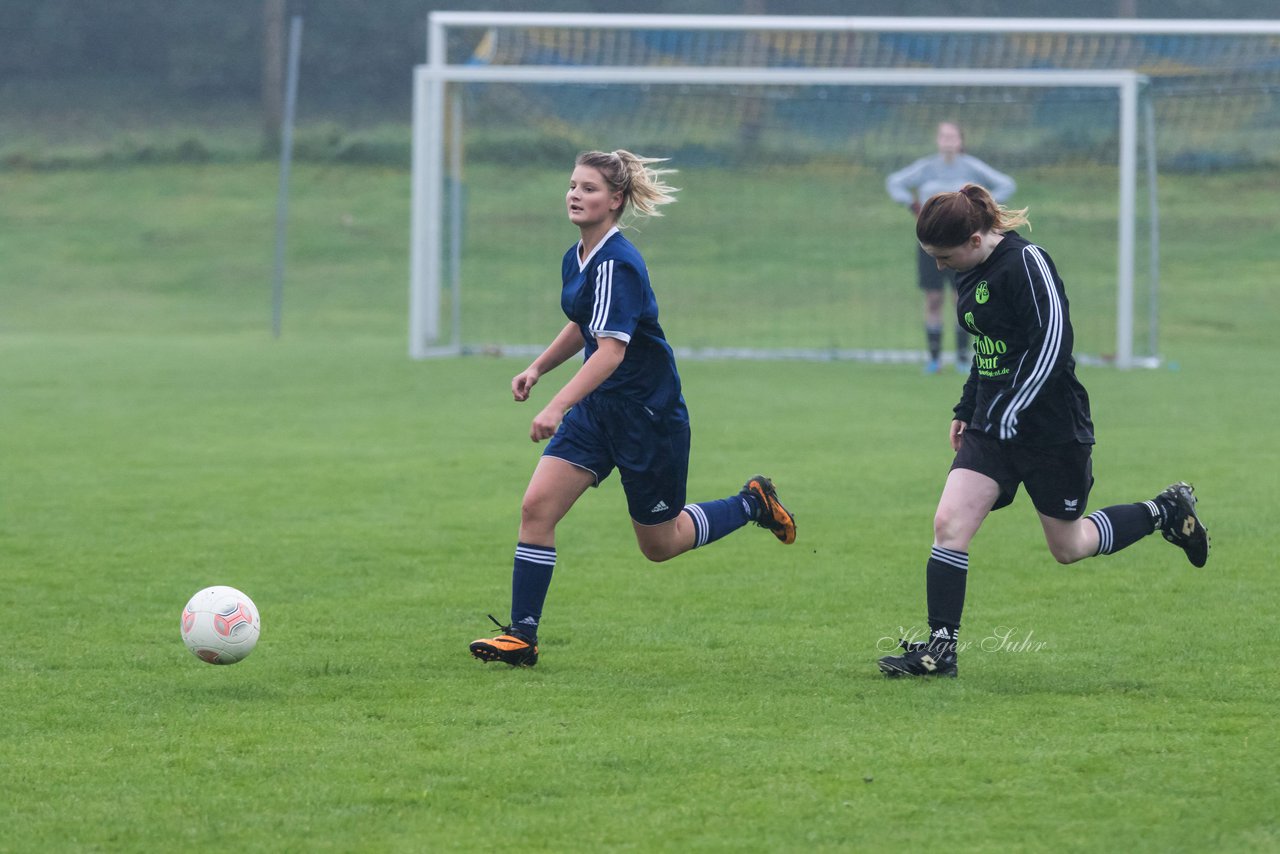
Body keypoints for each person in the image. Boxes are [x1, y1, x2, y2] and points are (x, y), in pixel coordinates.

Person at [469, 149, 797, 668]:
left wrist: (555, 405)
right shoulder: (577, 256)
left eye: (589, 188)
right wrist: (538, 368)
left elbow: (612, 351)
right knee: (537, 508)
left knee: (660, 545)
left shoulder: (620, 263)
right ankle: (522, 636)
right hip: (599, 411)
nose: (575, 194)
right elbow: (585, 324)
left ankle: (752, 503)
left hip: (648, 416)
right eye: (572, 185)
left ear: (616, 200)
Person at [876, 183, 1210, 679]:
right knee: (949, 525)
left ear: (973, 239)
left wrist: (1013, 408)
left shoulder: (1026, 262)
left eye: (944, 257)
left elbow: (1052, 340)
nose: (941, 268)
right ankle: (940, 651)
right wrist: (969, 407)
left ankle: (1165, 510)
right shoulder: (968, 273)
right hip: (993, 427)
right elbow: (989, 348)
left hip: (1051, 430)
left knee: (1068, 546)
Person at [886, 122, 1016, 373]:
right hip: (932, 241)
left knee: (962, 297)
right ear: (937, 140)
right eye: (943, 136)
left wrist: (979, 208)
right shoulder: (926, 167)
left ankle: (962, 358)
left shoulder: (972, 167)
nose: (947, 140)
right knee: (933, 298)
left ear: (960, 140)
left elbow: (1007, 184)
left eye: (952, 136)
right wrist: (913, 205)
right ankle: (934, 359)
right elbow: (894, 182)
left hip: (962, 242)